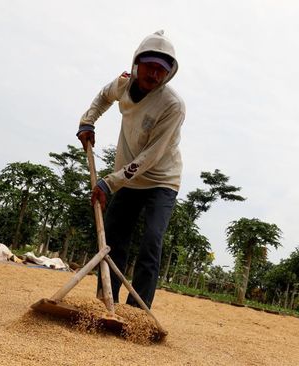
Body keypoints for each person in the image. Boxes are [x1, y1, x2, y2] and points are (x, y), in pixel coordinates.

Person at [76, 30, 185, 309]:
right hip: (128, 178)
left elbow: (152, 156)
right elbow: (103, 96)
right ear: (137, 64)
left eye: (162, 70)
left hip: (161, 179)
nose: (155, 75)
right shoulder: (124, 84)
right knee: (113, 236)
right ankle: (106, 303)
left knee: (151, 240)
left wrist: (109, 182)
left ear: (168, 74)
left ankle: (137, 311)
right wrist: (88, 121)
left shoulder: (172, 105)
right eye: (150, 67)